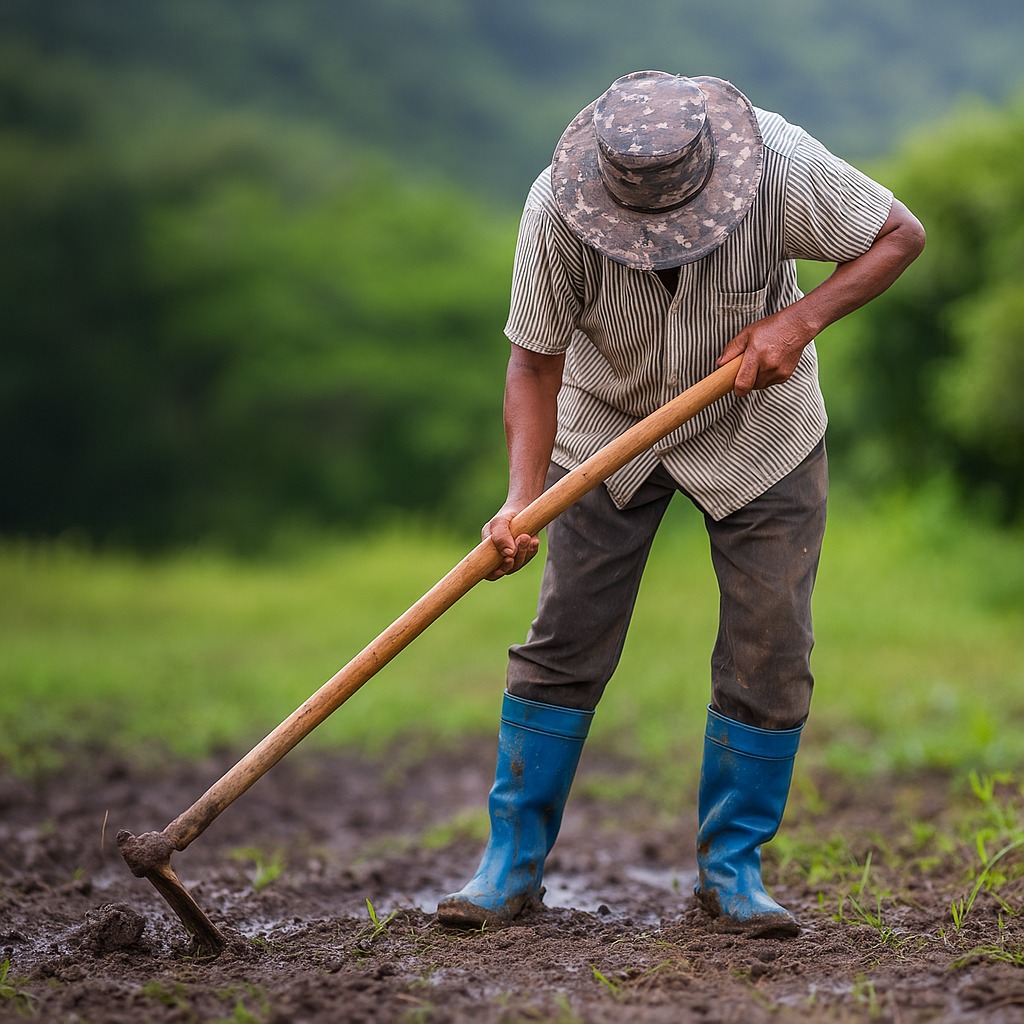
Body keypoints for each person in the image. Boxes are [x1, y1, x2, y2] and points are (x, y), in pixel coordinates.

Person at [436, 71, 925, 938]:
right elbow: (533, 364)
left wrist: (797, 321)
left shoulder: (780, 164)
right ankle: (509, 865)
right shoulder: (557, 208)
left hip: (760, 431)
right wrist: (521, 500)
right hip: (604, 431)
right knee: (565, 640)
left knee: (771, 641)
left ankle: (731, 871)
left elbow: (897, 234)